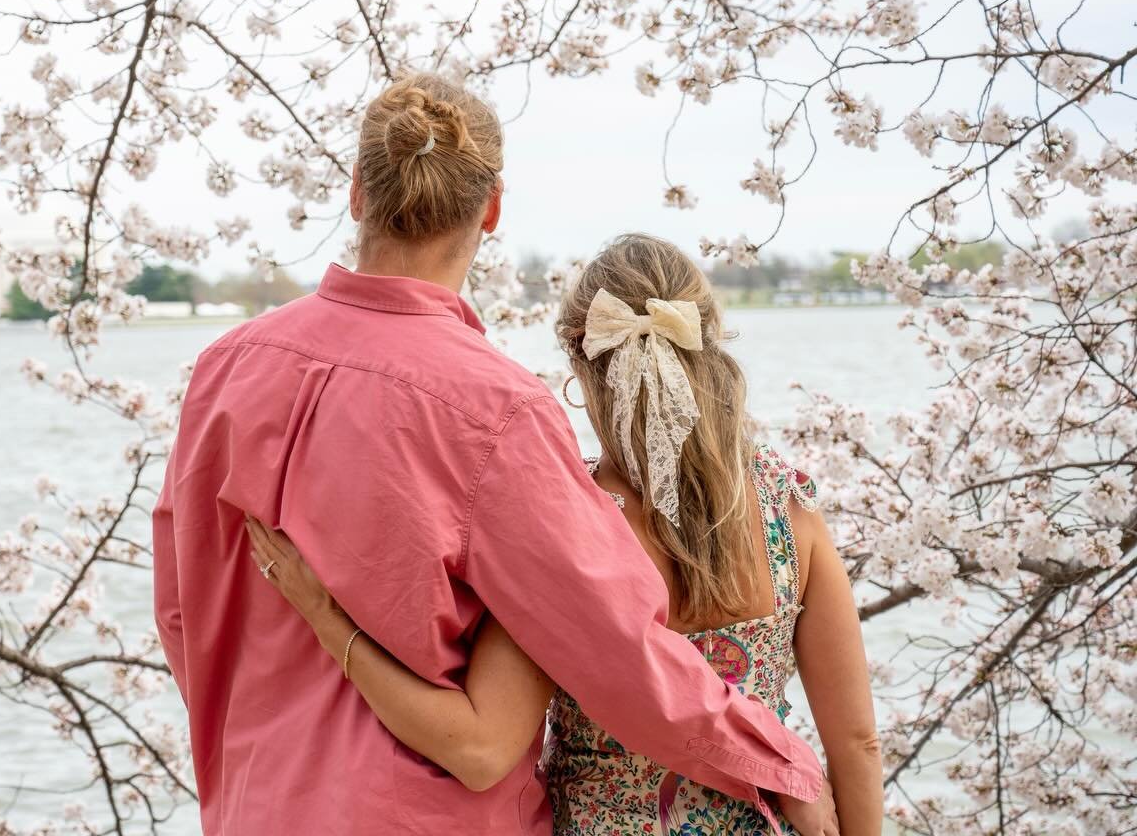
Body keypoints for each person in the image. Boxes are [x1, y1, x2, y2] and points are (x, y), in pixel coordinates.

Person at [152, 74, 833, 836]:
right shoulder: (496, 411)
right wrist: (778, 763)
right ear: (494, 209)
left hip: (256, 808)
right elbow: (616, 649)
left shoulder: (225, 368)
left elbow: (183, 611)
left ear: (355, 193)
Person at [246, 234, 882, 836]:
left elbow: (477, 747)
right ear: (709, 344)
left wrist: (329, 619)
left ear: (580, 363)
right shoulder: (788, 509)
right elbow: (856, 742)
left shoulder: (566, 524)